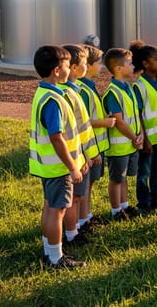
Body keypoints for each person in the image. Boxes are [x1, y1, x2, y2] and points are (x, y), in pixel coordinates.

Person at [29, 45, 85, 269]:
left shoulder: (44, 93)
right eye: (65, 66)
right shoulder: (53, 100)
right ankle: (55, 258)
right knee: (58, 210)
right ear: (56, 70)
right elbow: (56, 137)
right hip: (58, 167)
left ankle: (49, 250)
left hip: (48, 166)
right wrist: (72, 166)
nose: (68, 71)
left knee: (50, 207)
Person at [57, 45, 97, 247]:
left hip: (81, 155)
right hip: (75, 157)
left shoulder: (76, 90)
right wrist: (83, 155)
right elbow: (70, 131)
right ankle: (71, 234)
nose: (86, 66)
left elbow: (83, 126)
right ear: (73, 67)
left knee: (79, 196)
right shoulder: (67, 94)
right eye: (83, 63)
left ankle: (76, 227)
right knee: (73, 198)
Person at [130, 41, 157, 212]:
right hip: (149, 138)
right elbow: (139, 115)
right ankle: (144, 203)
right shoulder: (138, 86)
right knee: (144, 173)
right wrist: (145, 140)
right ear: (146, 64)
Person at [101, 47, 144, 221]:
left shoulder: (129, 88)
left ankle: (125, 207)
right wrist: (135, 138)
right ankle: (115, 210)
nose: (133, 66)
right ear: (119, 68)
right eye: (130, 63)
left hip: (131, 143)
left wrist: (140, 134)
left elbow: (135, 114)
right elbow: (119, 121)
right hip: (119, 147)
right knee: (116, 179)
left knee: (124, 178)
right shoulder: (112, 93)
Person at [77, 44, 112, 230]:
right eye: (98, 63)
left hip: (96, 146)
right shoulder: (82, 90)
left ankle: (87, 216)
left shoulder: (89, 86)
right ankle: (82, 221)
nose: (101, 67)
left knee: (89, 185)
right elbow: (83, 121)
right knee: (84, 187)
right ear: (87, 65)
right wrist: (105, 123)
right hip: (89, 148)